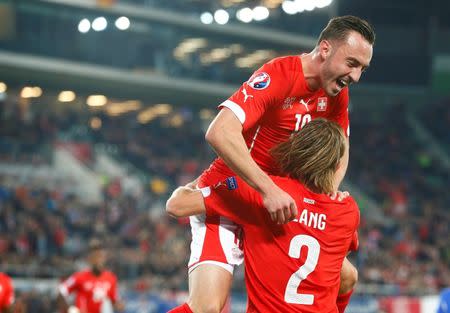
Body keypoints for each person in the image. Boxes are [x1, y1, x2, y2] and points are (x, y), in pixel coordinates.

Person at [180, 15, 374, 313]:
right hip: (237, 195)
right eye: (351, 63)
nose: (356, 76)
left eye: (362, 68)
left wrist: (325, 194)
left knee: (346, 277)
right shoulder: (279, 74)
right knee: (207, 308)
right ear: (325, 49)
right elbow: (219, 131)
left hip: (281, 205)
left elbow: (340, 147)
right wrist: (268, 189)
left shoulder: (337, 92)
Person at [167, 119, 360, 312]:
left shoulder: (265, 194)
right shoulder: (348, 210)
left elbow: (176, 206)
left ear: (293, 148)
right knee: (349, 275)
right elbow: (338, 255)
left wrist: (200, 182)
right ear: (335, 167)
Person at [57, 239, 124, 313]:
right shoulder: (79, 277)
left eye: (100, 256)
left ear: (105, 258)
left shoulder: (111, 278)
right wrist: (68, 309)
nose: (98, 260)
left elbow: (115, 301)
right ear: (90, 259)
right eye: (95, 257)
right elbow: (61, 292)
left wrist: (120, 305)